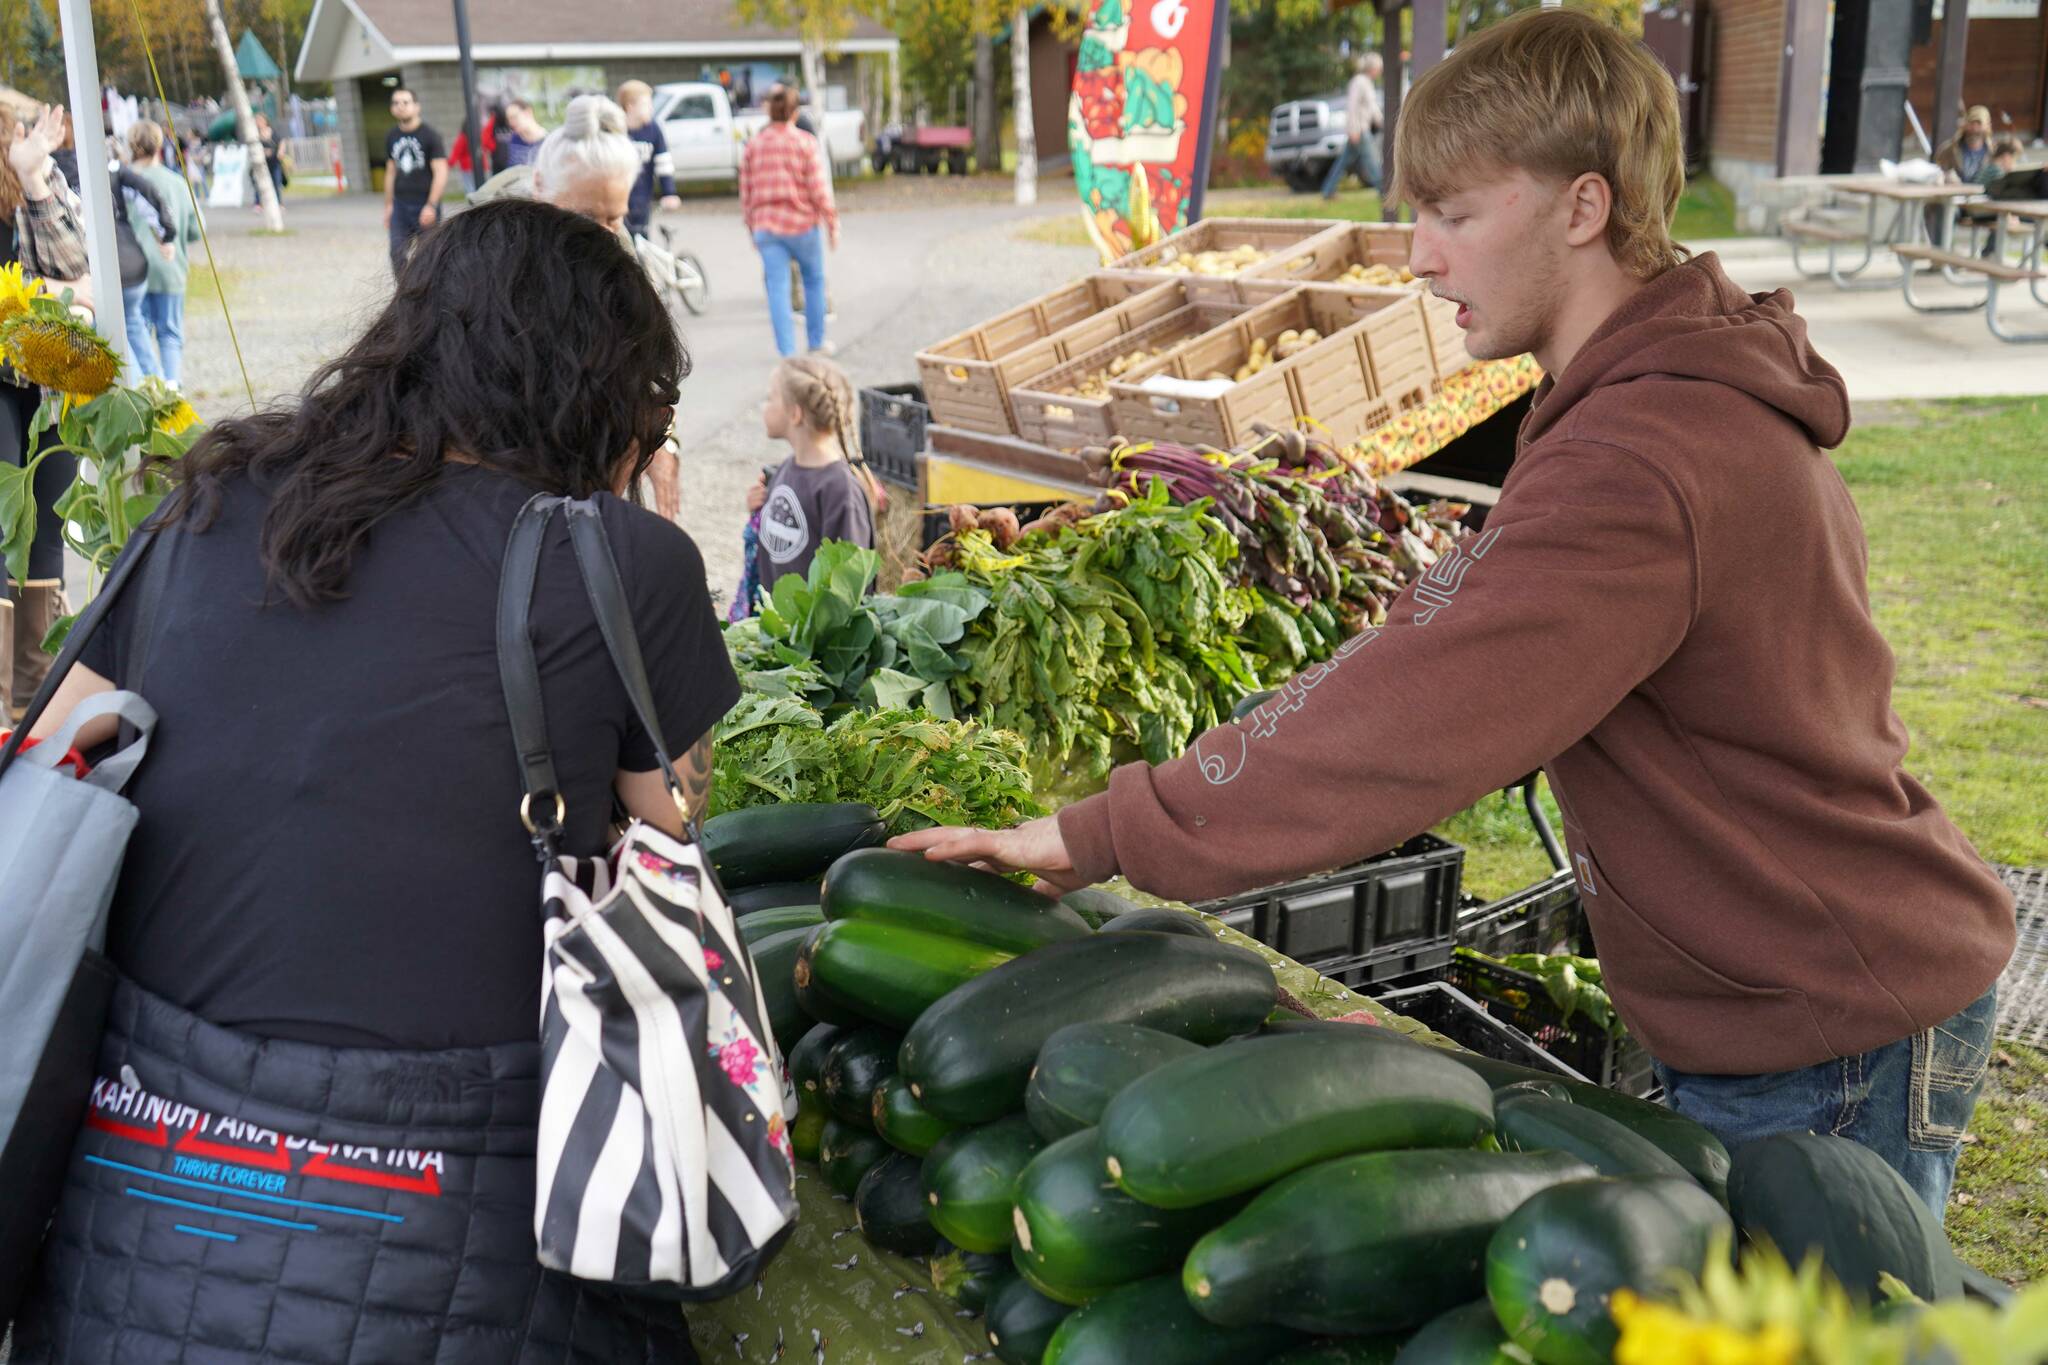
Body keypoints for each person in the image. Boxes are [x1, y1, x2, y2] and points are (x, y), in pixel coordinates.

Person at [894, 9, 2015, 1219]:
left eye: (1454, 214)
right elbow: (1452, 637)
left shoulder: (1644, 454)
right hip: (1796, 990)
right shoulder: (1635, 403)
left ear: (1581, 208)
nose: (1420, 256)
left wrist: (1110, 829)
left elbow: (1416, 716)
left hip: (1828, 1028)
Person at [10, 199, 726, 1360]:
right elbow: (669, 835)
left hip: (133, 1226)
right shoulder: (616, 558)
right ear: (598, 390)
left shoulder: (214, 498)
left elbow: (57, 755)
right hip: (469, 1244)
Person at [1, 104, 89, 721]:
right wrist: (54, 294)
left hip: (49, 378)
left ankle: (31, 709)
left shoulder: (38, 184)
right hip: (14, 377)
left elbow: (84, 271)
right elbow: (67, 291)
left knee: (44, 531)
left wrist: (33, 179)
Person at [741, 355, 879, 601]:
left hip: (812, 636)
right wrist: (759, 512)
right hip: (778, 629)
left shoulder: (839, 490)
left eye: (771, 398)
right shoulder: (786, 468)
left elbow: (851, 587)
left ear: (795, 414)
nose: (765, 406)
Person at [740, 85, 838, 357]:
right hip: (803, 227)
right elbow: (819, 189)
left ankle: (787, 353)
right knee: (814, 282)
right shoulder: (805, 142)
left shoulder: (754, 145)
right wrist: (831, 222)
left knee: (778, 290)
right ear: (795, 112)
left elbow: (746, 191)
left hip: (767, 228)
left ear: (769, 111)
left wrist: (751, 227)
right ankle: (816, 343)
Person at [125, 121, 201, 388]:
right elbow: (194, 229)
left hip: (134, 272)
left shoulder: (122, 183)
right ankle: (172, 386)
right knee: (169, 334)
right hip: (170, 268)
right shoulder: (177, 183)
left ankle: (147, 389)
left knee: (138, 333)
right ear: (160, 145)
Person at [111, 154, 178, 381]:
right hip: (132, 263)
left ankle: (146, 398)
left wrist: (166, 234)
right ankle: (160, 396)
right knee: (135, 327)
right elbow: (147, 191)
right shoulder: (111, 166)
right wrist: (166, 235)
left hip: (103, 270)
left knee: (117, 340)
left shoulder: (52, 169)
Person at [382, 87, 446, 273]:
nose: (400, 106)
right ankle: (405, 295)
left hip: (424, 204)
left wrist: (431, 205)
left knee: (429, 256)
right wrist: (388, 206)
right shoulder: (391, 136)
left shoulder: (430, 136)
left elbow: (441, 172)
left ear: (416, 107)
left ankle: (430, 296)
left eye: (405, 102)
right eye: (395, 103)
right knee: (397, 253)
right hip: (400, 205)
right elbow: (391, 171)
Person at [618, 79, 683, 239]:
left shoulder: (653, 129)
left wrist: (669, 192)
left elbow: (663, 162)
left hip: (642, 199)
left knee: (642, 240)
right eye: (646, 104)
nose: (651, 108)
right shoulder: (617, 130)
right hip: (619, 200)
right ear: (630, 107)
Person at [1322, 52, 1384, 199]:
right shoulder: (1358, 82)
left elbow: (1372, 108)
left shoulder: (1368, 83)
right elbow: (1352, 107)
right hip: (1359, 130)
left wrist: (1382, 122)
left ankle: (1328, 191)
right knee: (1372, 161)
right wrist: (1353, 130)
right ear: (1372, 68)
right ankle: (1383, 191)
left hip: (1362, 129)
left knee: (1343, 162)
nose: (1380, 71)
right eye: (1379, 68)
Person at [1935, 105, 1998, 186]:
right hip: (1956, 195)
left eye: (1979, 124)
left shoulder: (1994, 151)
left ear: (1988, 126)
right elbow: (1936, 174)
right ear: (1964, 124)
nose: (1974, 128)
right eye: (1971, 123)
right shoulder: (1948, 150)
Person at [501, 98, 546, 168]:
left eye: (514, 117)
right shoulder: (514, 140)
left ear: (528, 112)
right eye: (509, 119)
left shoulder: (548, 141)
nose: (511, 123)